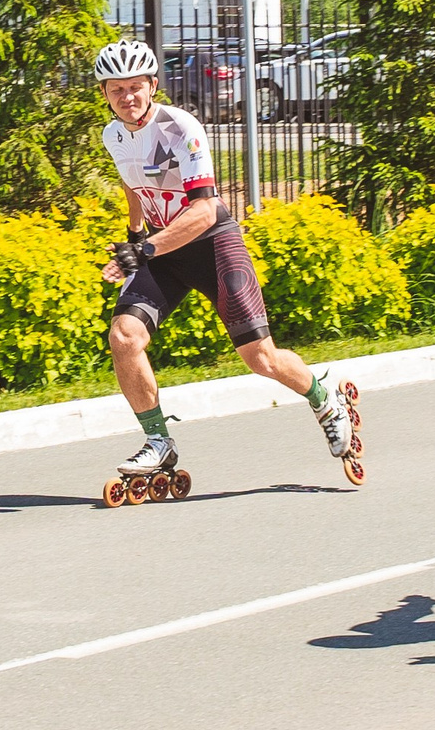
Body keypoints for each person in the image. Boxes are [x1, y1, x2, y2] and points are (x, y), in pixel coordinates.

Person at [92, 39, 357, 487]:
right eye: (116, 89)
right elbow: (134, 187)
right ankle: (158, 440)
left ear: (153, 85)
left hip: (211, 243)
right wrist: (134, 237)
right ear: (104, 93)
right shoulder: (112, 134)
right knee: (124, 336)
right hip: (161, 249)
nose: (127, 97)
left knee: (261, 358)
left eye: (135, 86)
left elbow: (204, 210)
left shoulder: (180, 127)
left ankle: (324, 399)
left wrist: (147, 249)